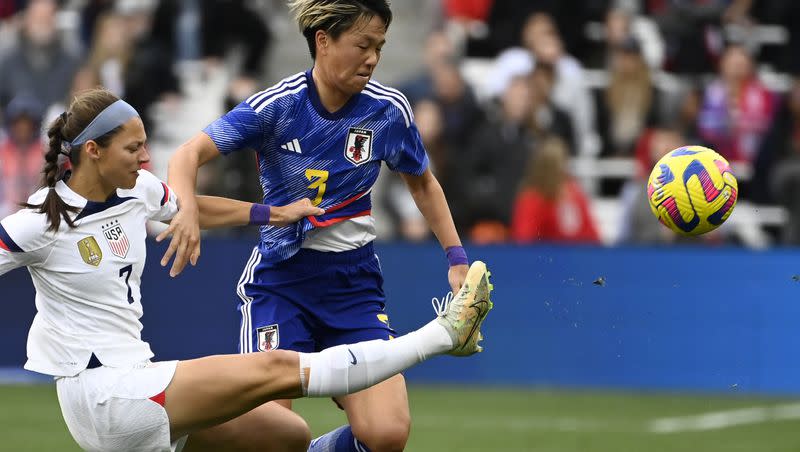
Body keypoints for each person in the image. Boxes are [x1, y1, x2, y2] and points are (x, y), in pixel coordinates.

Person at [0, 88, 494, 452]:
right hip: (106, 393)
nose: (147, 157)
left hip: (134, 381)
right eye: (134, 148)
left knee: (285, 436)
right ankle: (444, 335)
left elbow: (192, 207)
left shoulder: (137, 190)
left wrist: (271, 214)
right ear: (93, 151)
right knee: (277, 371)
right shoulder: (39, 221)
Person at [162, 1, 472, 450]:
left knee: (386, 435)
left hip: (353, 287)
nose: (372, 58)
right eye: (362, 44)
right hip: (281, 283)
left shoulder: (387, 110)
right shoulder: (276, 106)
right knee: (269, 431)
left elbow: (422, 183)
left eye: (379, 47)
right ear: (323, 41)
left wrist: (456, 258)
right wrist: (185, 207)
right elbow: (186, 155)